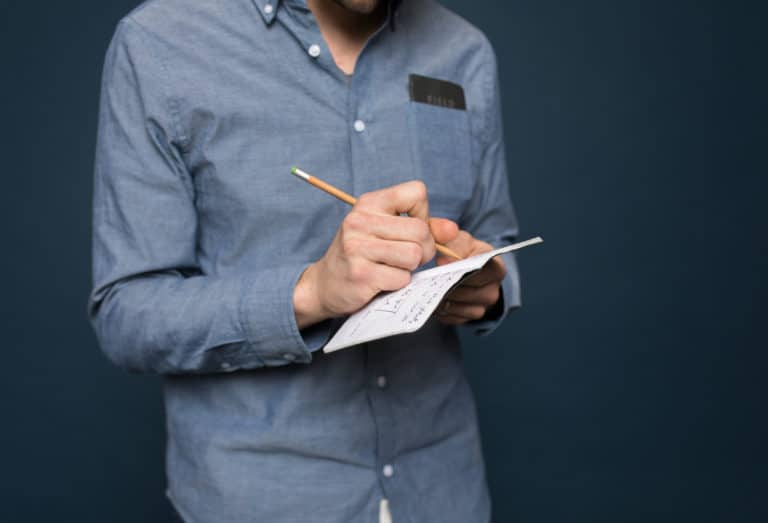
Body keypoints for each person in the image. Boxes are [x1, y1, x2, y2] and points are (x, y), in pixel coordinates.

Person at [87, 0, 522, 521]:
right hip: (268, 499)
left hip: (444, 491)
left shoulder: (463, 50)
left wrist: (488, 287)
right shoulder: (159, 43)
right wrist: (311, 293)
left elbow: (495, 233)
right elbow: (125, 312)